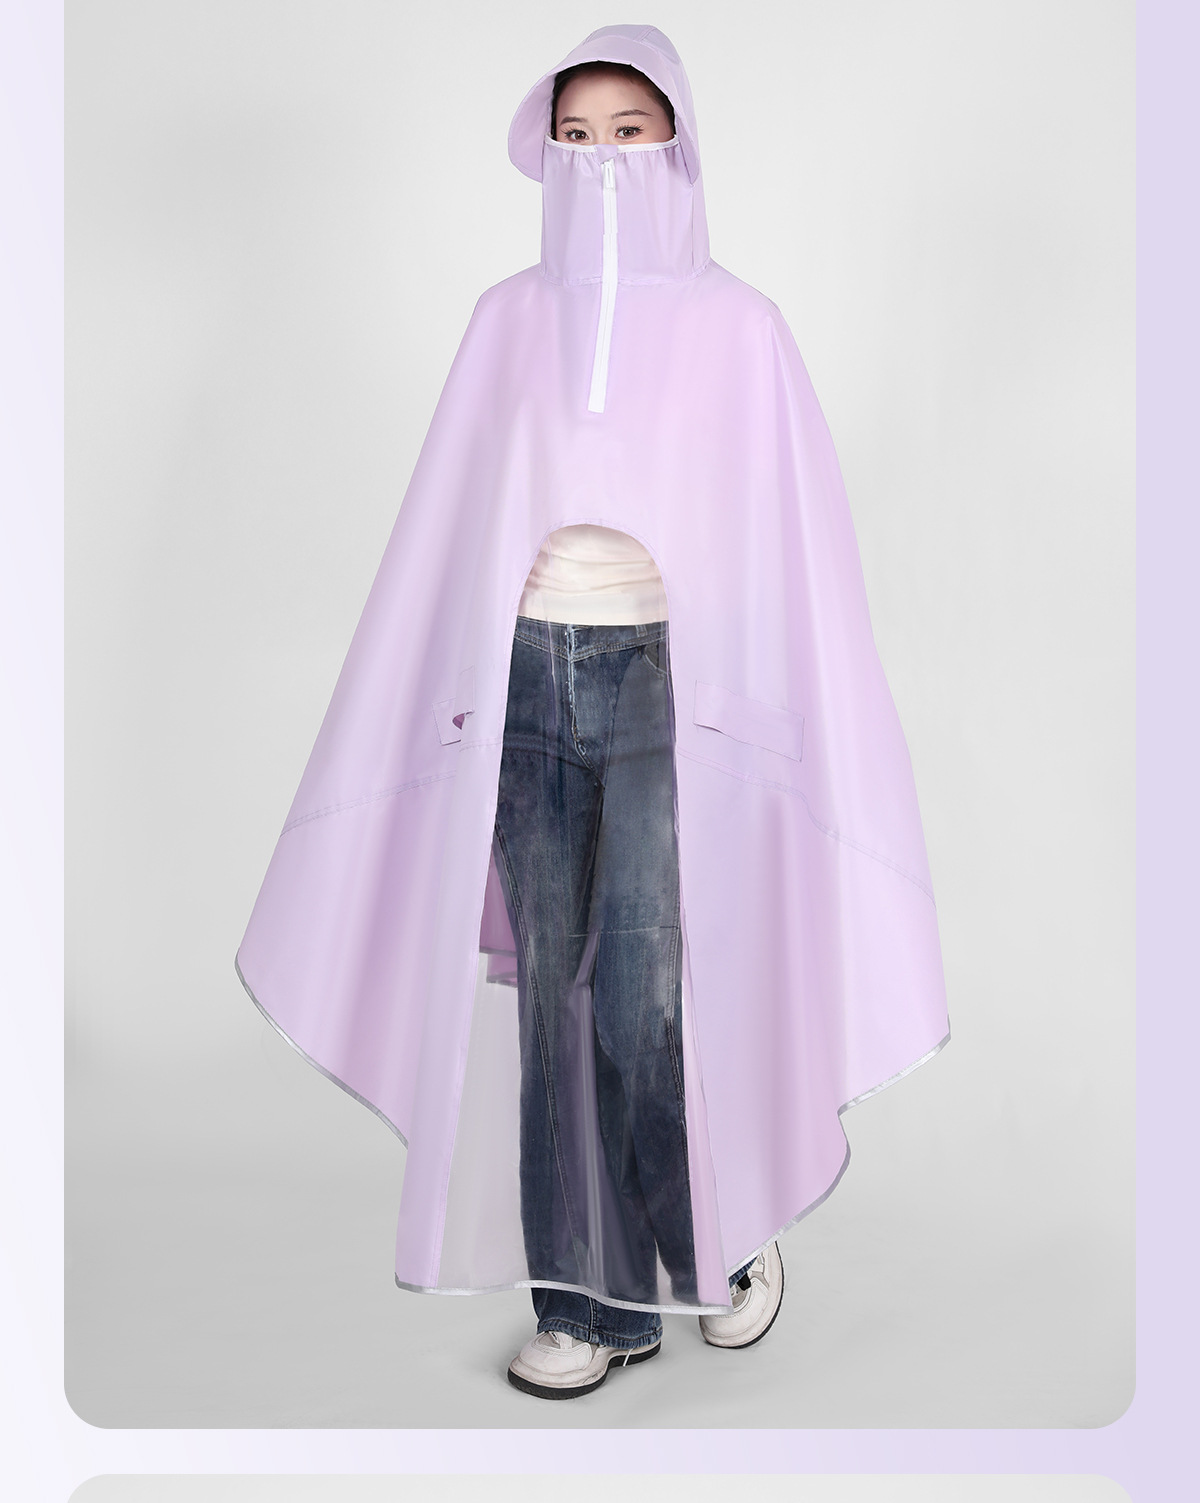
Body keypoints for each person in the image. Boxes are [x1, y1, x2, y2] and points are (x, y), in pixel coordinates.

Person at [236, 25, 949, 1406]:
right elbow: (449, 530)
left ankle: (712, 1235)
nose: (603, 161)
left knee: (642, 1001)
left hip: (674, 700)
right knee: (554, 1010)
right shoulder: (506, 322)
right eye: (576, 137)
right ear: (542, 153)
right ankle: (588, 1303)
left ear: (678, 148)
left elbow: (789, 553)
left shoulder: (744, 330)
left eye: (631, 132)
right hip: (527, 683)